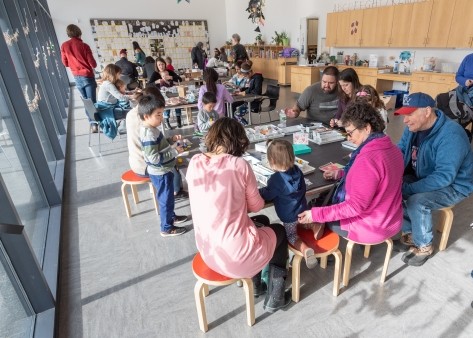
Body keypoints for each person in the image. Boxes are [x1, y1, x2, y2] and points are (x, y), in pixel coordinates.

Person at [186, 117, 291, 313]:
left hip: (209, 251)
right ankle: (275, 296)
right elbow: (257, 205)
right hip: (235, 256)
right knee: (279, 231)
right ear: (238, 141)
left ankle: (256, 285)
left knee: (261, 223)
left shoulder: (195, 161)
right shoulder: (239, 165)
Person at [298, 102, 404, 245]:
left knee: (317, 205)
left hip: (370, 227)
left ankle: (320, 238)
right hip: (391, 219)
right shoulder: (394, 149)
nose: (348, 138)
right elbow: (376, 180)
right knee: (326, 199)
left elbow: (354, 207)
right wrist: (342, 174)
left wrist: (316, 215)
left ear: (367, 128)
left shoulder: (367, 159)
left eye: (350, 132)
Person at [393, 92, 473, 266]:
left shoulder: (451, 135)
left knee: (416, 201)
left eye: (410, 114)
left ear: (427, 111)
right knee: (390, 190)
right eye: (404, 114)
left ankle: (424, 245)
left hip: (455, 185)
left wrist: (408, 188)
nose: (405, 120)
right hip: (424, 175)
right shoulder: (412, 128)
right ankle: (411, 233)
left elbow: (444, 176)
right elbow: (399, 151)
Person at [259, 139, 324, 269]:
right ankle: (314, 225)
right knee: (302, 221)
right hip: (301, 208)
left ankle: (305, 250)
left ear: (271, 162)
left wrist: (259, 191)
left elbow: (267, 195)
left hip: (288, 216)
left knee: (292, 235)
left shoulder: (276, 180)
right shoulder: (297, 170)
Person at [138, 93, 189, 237]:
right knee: (165, 200)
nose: (161, 118)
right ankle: (166, 228)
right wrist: (174, 151)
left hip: (163, 170)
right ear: (147, 116)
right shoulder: (148, 134)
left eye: (162, 114)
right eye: (158, 115)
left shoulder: (151, 129)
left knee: (168, 198)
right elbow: (153, 158)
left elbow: (159, 145)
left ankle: (171, 217)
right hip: (160, 172)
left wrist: (171, 139)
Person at [60, 24, 98, 131]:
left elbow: (65, 63)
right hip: (87, 76)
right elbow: (93, 64)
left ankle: (92, 123)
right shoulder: (84, 46)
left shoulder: (64, 46)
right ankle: (95, 122)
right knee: (92, 101)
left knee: (86, 101)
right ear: (79, 32)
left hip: (76, 77)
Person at [148, 57, 183, 129]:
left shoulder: (169, 71)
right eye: (159, 65)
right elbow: (148, 85)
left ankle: (178, 119)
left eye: (162, 64)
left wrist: (171, 77)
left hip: (173, 92)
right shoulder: (155, 74)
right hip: (162, 94)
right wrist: (156, 82)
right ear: (157, 66)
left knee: (177, 102)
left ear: (165, 64)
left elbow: (180, 79)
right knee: (166, 104)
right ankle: (167, 121)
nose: (161, 66)